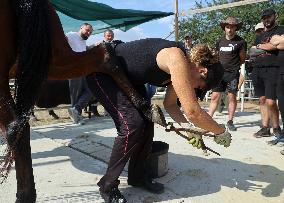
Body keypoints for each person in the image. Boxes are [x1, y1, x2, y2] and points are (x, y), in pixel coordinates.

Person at [86, 38, 231, 203]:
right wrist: (220, 131)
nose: (196, 88)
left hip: (127, 79)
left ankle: (138, 177)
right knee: (132, 124)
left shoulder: (182, 66)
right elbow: (192, 111)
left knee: (146, 123)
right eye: (199, 86)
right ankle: (108, 185)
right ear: (203, 71)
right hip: (103, 71)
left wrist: (190, 130)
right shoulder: (176, 57)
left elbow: (170, 105)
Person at [208, 16, 247, 131]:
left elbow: (242, 59)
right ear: (224, 28)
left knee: (232, 97)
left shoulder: (241, 42)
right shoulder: (219, 41)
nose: (230, 30)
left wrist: (234, 68)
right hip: (219, 73)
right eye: (227, 27)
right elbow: (215, 56)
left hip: (232, 74)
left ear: (236, 28)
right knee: (215, 96)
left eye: (232, 27)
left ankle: (230, 121)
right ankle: (208, 119)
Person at [250, 8, 284, 138]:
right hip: (258, 70)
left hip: (273, 69)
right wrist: (268, 46)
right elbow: (252, 51)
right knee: (262, 100)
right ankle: (265, 127)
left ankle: (276, 127)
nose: (266, 20)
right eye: (264, 18)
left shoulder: (281, 30)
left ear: (275, 16)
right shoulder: (259, 36)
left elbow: (278, 45)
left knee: (271, 101)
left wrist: (270, 46)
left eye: (268, 17)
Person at [66, 23, 94, 124]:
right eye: (87, 30)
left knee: (90, 90)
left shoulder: (82, 41)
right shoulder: (71, 35)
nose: (88, 33)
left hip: (83, 70)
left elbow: (82, 50)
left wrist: (93, 46)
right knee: (75, 94)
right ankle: (76, 118)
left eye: (90, 32)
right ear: (81, 28)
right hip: (73, 69)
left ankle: (76, 110)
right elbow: (61, 43)